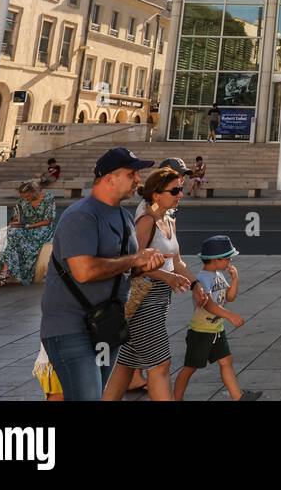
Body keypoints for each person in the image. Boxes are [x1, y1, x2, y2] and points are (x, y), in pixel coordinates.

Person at [39, 147, 164, 401]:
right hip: (71, 326)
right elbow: (84, 271)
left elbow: (123, 266)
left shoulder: (123, 216)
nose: (138, 180)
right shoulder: (81, 215)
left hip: (107, 325)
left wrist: (143, 265)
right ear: (109, 178)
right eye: (132, 174)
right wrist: (133, 259)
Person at [104, 160, 198, 401]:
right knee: (161, 365)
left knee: (125, 364)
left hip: (159, 301)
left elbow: (177, 263)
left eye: (181, 189)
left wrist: (197, 285)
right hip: (143, 301)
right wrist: (166, 276)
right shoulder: (146, 221)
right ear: (156, 194)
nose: (180, 194)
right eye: (175, 190)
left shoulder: (169, 220)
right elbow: (133, 264)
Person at [173, 235, 260, 401]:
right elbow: (208, 305)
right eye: (227, 259)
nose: (230, 262)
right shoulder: (202, 279)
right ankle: (175, 398)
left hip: (216, 330)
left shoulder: (218, 275)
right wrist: (230, 316)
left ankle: (238, 396)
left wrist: (235, 279)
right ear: (215, 260)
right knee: (190, 367)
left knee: (226, 361)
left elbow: (230, 296)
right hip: (201, 332)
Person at [0, 179, 58, 289]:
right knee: (11, 234)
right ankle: (5, 271)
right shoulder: (22, 201)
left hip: (43, 228)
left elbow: (48, 221)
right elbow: (15, 217)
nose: (25, 199)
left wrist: (28, 226)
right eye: (23, 196)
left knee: (13, 237)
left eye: (27, 196)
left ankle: (4, 274)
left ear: (34, 192)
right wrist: (15, 222)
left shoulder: (48, 198)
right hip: (26, 227)